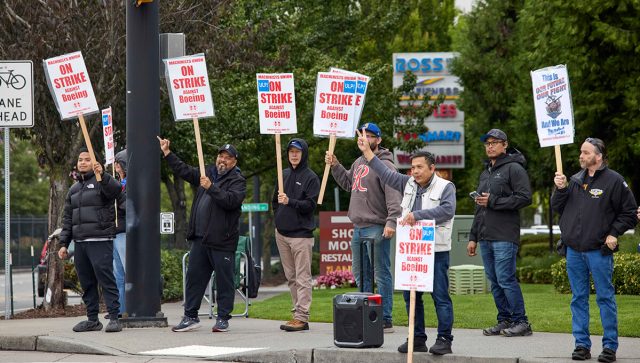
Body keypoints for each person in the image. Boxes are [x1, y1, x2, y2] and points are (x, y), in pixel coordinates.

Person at [354, 128, 456, 355]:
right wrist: (368, 152)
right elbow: (384, 173)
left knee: (439, 295)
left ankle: (444, 339)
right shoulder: (407, 183)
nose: (415, 171)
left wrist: (417, 216)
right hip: (413, 251)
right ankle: (417, 338)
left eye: (420, 167)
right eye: (413, 167)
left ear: (432, 168)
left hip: (436, 250)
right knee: (411, 297)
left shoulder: (445, 187)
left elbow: (447, 211)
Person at [551, 137, 637, 362]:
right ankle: (581, 345)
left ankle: (609, 347)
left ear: (598, 156)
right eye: (581, 152)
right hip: (573, 251)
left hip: (598, 251)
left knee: (605, 298)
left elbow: (629, 213)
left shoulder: (615, 181)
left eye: (586, 152)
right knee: (578, 298)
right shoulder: (575, 180)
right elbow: (557, 207)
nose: (581, 156)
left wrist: (613, 233)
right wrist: (560, 189)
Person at [158, 138, 246, 333]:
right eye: (220, 156)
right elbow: (185, 170)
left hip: (222, 241)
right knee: (194, 279)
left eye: (227, 158)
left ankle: (223, 318)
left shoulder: (237, 181)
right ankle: (190, 316)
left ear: (234, 162)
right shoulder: (208, 173)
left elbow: (231, 201)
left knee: (224, 281)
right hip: (200, 239)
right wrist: (167, 153)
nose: (222, 160)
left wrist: (210, 188)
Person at [325, 122, 402, 332]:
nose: (365, 138)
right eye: (363, 134)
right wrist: (336, 164)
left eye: (370, 135)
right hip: (358, 227)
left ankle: (385, 318)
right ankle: (367, 313)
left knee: (381, 274)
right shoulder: (359, 162)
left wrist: (392, 221)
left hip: (377, 227)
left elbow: (395, 197)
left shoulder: (385, 165)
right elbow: (349, 183)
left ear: (378, 140)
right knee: (360, 274)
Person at [466, 129, 533, 337]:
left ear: (505, 145)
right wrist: (473, 237)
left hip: (504, 235)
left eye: (495, 142)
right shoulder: (486, 172)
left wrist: (493, 201)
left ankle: (522, 322)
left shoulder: (514, 168)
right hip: (485, 236)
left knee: (506, 279)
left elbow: (525, 197)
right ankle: (504, 320)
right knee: (494, 281)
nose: (490, 146)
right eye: (487, 143)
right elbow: (480, 207)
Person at [58, 148, 123, 333]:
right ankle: (92, 320)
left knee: (106, 280)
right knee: (87, 283)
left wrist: (102, 174)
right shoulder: (74, 189)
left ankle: (114, 317)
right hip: (80, 243)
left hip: (101, 239)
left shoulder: (103, 182)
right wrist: (63, 243)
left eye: (87, 159)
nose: (83, 162)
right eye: (80, 159)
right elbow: (68, 219)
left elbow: (116, 190)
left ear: (95, 163)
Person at [272, 138, 320, 332]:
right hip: (282, 234)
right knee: (291, 278)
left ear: (303, 154)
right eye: (291, 151)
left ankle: (302, 317)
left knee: (302, 278)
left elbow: (310, 206)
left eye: (297, 151)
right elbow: (275, 201)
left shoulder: (311, 177)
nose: (294, 154)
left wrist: (290, 202)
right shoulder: (282, 174)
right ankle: (296, 314)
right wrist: (278, 217)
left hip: (301, 235)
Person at [112, 149, 127, 318]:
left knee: (125, 270)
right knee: (118, 274)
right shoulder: (118, 183)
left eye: (119, 162)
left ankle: (129, 307)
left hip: (123, 231)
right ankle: (120, 309)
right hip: (115, 231)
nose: (116, 166)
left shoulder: (129, 184)